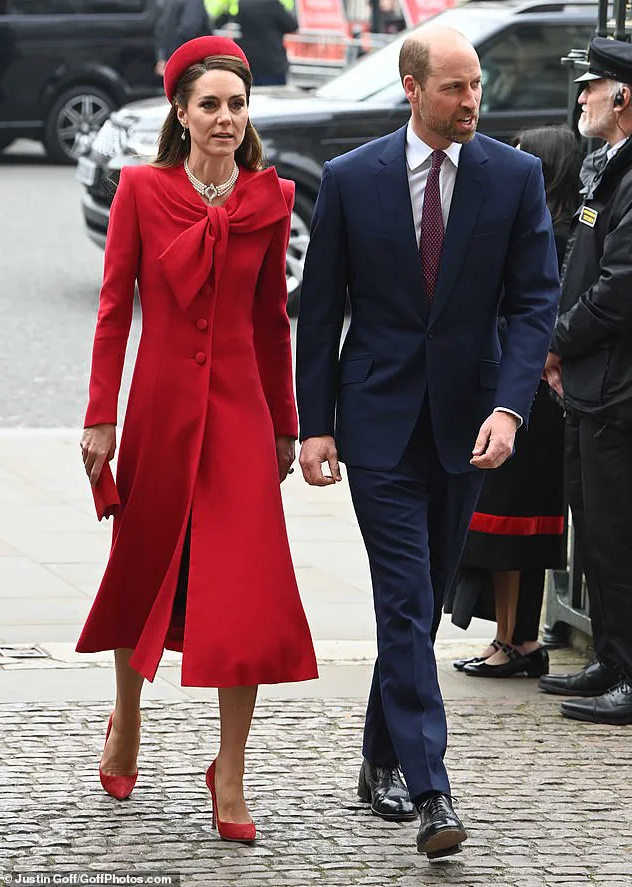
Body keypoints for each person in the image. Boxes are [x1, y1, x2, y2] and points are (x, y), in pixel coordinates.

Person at [296, 25, 559, 860]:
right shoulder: (350, 179)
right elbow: (321, 310)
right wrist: (315, 423)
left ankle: (379, 754)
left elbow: (533, 303)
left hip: (469, 427)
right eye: (454, 87)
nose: (471, 100)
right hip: (375, 425)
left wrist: (511, 409)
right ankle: (431, 786)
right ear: (412, 89)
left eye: (476, 84)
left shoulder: (512, 177)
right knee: (407, 600)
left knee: (416, 608)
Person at [76, 36, 318, 842]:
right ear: (180, 112)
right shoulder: (141, 191)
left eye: (236, 105)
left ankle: (232, 771)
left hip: (243, 418)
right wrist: (100, 417)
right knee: (142, 570)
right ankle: (128, 716)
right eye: (209, 103)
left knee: (246, 595)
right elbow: (115, 309)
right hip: (158, 412)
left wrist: (286, 421)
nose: (224, 117)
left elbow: (270, 321)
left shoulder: (271, 198)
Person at [447, 125, 581, 679]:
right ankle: (511, 637)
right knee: (501, 522)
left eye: (526, 157)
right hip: (516, 382)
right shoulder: (541, 219)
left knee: (515, 522)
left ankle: (518, 641)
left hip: (530, 391)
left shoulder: (554, 227)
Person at [541, 37, 632, 726]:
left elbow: (618, 290)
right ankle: (609, 653)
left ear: (622, 97)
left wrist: (555, 341)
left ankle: (628, 670)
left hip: (617, 386)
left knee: (616, 530)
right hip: (593, 382)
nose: (581, 98)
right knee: (594, 527)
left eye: (591, 86)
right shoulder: (611, 167)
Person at [210, 0, 298, 87]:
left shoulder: (242, 4)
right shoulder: (273, 3)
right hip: (272, 61)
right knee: (275, 94)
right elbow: (292, 25)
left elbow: (221, 21)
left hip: (250, 60)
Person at [154, 0, 213, 76]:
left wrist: (163, 57)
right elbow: (189, 28)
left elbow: (161, 28)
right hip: (190, 59)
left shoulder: (169, 2)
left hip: (173, 57)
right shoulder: (193, 2)